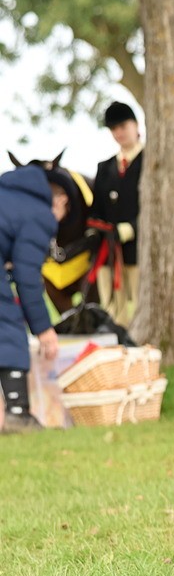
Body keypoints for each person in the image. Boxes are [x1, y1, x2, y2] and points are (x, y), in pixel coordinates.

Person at [1, 163, 68, 434]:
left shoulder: (7, 194)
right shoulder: (40, 214)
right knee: (6, 322)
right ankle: (18, 414)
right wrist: (43, 329)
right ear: (61, 200)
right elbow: (27, 277)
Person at [91, 101, 143, 326]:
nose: (119, 133)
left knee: (139, 307)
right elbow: (96, 211)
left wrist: (132, 227)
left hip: (140, 252)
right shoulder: (104, 168)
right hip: (109, 254)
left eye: (123, 126)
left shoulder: (150, 161)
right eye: (114, 129)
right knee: (113, 314)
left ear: (135, 124)